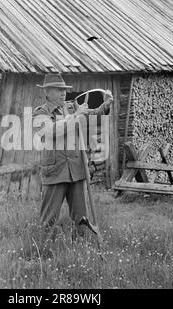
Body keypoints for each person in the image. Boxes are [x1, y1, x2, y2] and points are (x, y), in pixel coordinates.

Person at [33, 73, 113, 236]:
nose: (64, 93)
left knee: (81, 217)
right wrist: (75, 116)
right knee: (49, 218)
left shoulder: (71, 106)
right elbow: (51, 131)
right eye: (59, 89)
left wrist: (106, 104)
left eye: (64, 89)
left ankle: (81, 247)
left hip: (76, 169)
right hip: (55, 170)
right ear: (47, 92)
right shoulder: (40, 113)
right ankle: (41, 250)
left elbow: (92, 114)